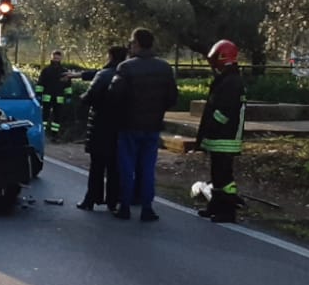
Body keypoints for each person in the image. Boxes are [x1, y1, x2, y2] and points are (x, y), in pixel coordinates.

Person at [105, 28, 178, 221]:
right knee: (147, 167)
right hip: (153, 126)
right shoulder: (164, 68)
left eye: (131, 42)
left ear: (137, 44)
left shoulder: (126, 68)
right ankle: (147, 207)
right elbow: (172, 97)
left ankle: (125, 206)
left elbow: (114, 95)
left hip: (129, 125)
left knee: (127, 166)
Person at [193, 39, 248, 222]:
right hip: (220, 137)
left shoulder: (231, 82)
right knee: (217, 175)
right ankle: (215, 206)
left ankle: (228, 211)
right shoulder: (227, 79)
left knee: (225, 177)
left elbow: (224, 111)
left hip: (226, 137)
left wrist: (211, 128)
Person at [75, 45, 128, 211]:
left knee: (97, 166)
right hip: (120, 126)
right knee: (114, 167)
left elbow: (89, 97)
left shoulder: (103, 75)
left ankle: (91, 199)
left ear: (110, 56)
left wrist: (81, 98)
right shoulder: (127, 75)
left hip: (100, 125)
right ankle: (113, 201)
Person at [37, 50, 78, 141]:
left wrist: (68, 96)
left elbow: (68, 85)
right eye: (55, 58)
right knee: (44, 116)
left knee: (57, 117)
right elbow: (40, 83)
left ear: (61, 58)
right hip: (47, 97)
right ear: (52, 57)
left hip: (59, 98)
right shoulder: (46, 70)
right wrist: (39, 94)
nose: (56, 59)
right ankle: (42, 134)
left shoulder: (64, 71)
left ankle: (54, 135)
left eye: (58, 58)